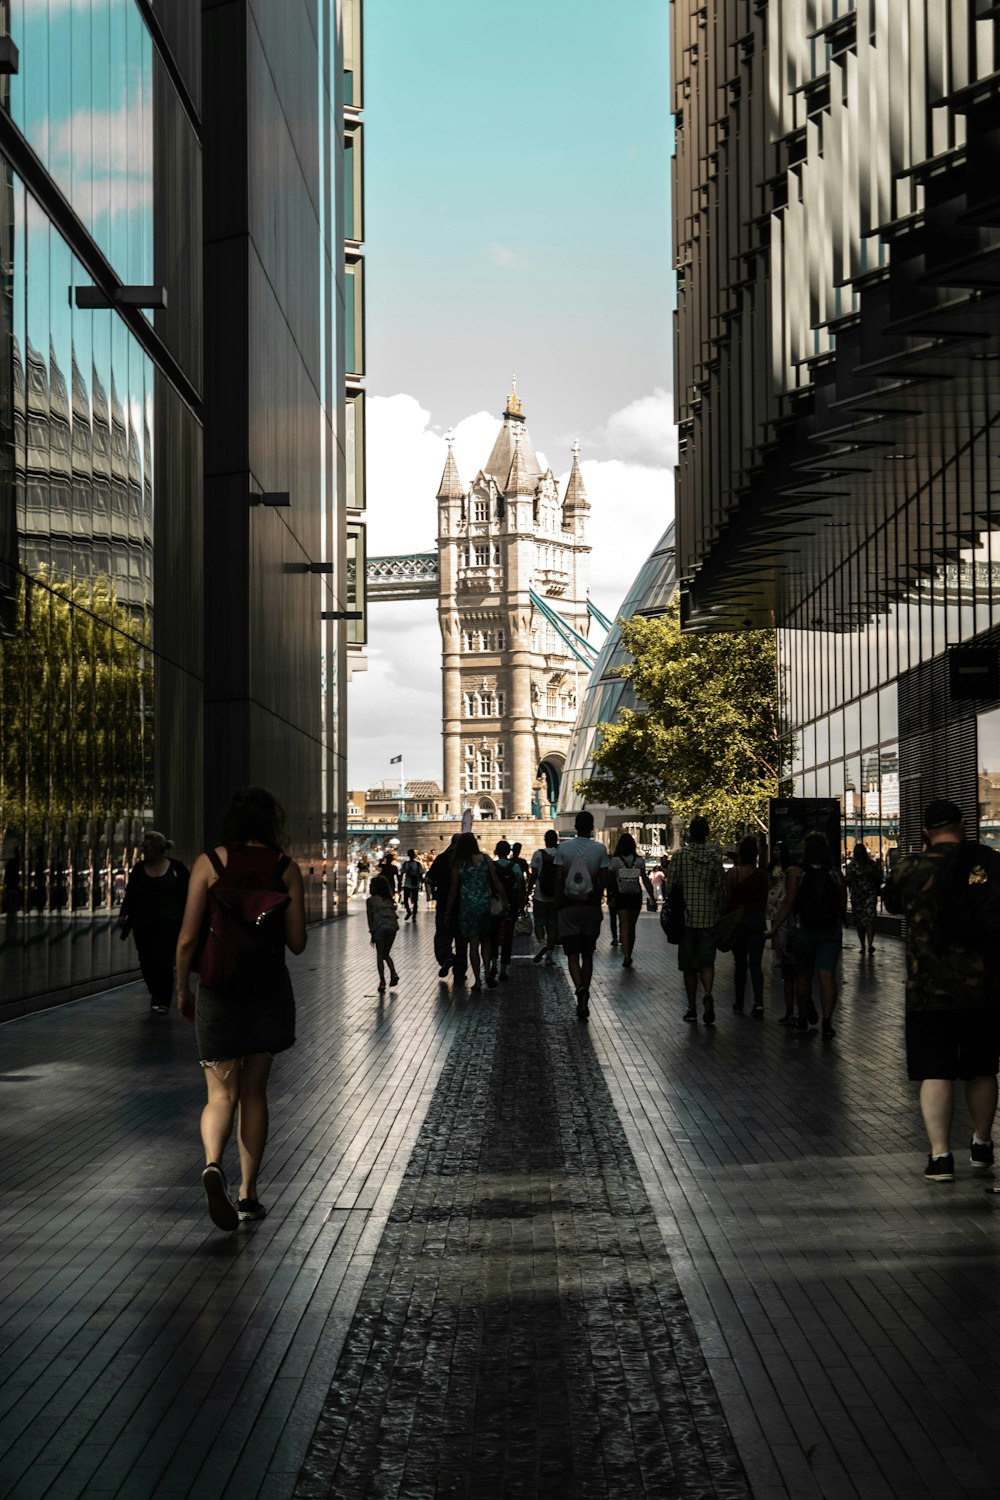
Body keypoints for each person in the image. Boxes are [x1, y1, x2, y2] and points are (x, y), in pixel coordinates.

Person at [175, 787, 306, 1232]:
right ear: (272, 822)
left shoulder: (208, 864)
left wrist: (181, 990)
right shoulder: (285, 869)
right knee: (254, 1094)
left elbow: (188, 938)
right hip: (267, 991)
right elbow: (298, 943)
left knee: (219, 1095)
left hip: (218, 991)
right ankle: (249, 1195)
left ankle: (213, 1165)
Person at [883, 798, 1000, 1182]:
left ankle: (941, 1157)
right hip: (982, 988)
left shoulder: (909, 867)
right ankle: (982, 1145)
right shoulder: (984, 864)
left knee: (936, 1071)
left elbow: (894, 904)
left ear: (925, 831)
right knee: (982, 1068)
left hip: (927, 991)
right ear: (964, 824)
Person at [767, 830, 846, 1038]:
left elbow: (788, 903)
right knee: (827, 976)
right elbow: (842, 903)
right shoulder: (836, 873)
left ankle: (802, 1018)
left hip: (805, 930)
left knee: (803, 976)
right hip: (831, 931)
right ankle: (827, 1023)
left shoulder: (796, 873)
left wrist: (773, 929)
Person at [118, 831, 189, 1015]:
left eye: (146, 847)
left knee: (163, 960)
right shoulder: (139, 869)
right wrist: (124, 913)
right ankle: (155, 992)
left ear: (157, 849)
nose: (143, 850)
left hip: (169, 925)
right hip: (143, 925)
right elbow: (131, 893)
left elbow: (187, 895)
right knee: (146, 961)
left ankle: (163, 999)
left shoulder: (177, 868)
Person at [665, 816, 727, 1025]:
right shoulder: (713, 858)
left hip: (686, 920)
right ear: (707, 834)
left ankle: (692, 1007)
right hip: (708, 918)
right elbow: (721, 889)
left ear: (690, 833)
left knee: (689, 967)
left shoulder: (680, 856)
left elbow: (669, 887)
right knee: (707, 962)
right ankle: (708, 992)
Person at [554, 809, 610, 1018]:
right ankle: (585, 988)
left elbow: (558, 879)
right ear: (592, 827)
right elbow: (604, 881)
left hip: (568, 907)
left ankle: (579, 989)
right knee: (588, 954)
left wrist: (558, 904)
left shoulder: (564, 848)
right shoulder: (599, 849)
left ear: (576, 827)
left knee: (572, 954)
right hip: (591, 908)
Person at [447, 832, 508, 991]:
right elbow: (496, 881)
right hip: (485, 904)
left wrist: (448, 911)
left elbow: (453, 890)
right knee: (486, 940)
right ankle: (487, 972)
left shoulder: (458, 863)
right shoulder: (486, 859)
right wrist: (505, 900)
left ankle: (477, 981)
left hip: (467, 906)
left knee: (473, 944)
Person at [727, 835, 769, 1016]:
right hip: (757, 921)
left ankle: (739, 1002)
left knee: (740, 964)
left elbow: (727, 899)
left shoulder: (733, 874)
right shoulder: (762, 876)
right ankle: (759, 1003)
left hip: (738, 923)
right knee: (756, 964)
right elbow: (765, 899)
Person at [607, 833, 655, 968]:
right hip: (635, 896)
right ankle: (630, 953)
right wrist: (652, 897)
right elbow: (645, 880)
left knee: (624, 924)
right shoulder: (639, 861)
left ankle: (626, 954)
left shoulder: (615, 861)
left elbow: (610, 880)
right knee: (632, 926)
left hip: (621, 896)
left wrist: (608, 894)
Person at [426, 835, 469, 982]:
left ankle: (446, 958)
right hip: (463, 905)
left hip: (444, 903)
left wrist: (435, 891)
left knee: (443, 935)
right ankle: (460, 971)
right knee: (462, 939)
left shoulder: (442, 858)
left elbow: (429, 879)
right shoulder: (467, 861)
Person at [766, 848, 797, 1024]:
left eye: (779, 849)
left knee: (779, 925)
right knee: (774, 923)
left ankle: (781, 952)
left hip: (782, 899)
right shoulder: (775, 867)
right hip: (774, 898)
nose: (777, 852)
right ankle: (779, 951)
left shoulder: (790, 870)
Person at [489, 840, 523, 981]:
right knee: (508, 937)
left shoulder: (491, 866)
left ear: (496, 851)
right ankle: (503, 969)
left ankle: (493, 964)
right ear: (509, 852)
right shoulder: (515, 867)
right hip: (510, 906)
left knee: (493, 935)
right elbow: (519, 885)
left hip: (494, 905)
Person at [529, 830, 560, 966]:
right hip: (555, 896)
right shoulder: (560, 854)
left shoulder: (538, 854)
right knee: (552, 926)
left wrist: (527, 892)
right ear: (556, 840)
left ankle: (542, 942)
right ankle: (549, 955)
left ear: (545, 840)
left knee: (539, 923)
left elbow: (533, 875)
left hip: (540, 895)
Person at [844, 843, 882, 954]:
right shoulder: (852, 866)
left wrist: (871, 873)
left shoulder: (871, 864)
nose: (860, 856)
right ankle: (863, 945)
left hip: (870, 894)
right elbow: (847, 880)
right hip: (857, 896)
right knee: (860, 922)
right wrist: (851, 878)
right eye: (857, 854)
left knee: (870, 919)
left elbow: (879, 877)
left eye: (861, 853)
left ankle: (870, 944)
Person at [366, 874, 400, 992]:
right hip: (392, 926)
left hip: (380, 926)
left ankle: (382, 981)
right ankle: (393, 973)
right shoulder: (389, 899)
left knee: (380, 955)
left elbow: (370, 919)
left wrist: (372, 933)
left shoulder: (370, 900)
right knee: (386, 953)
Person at [399, 849, 424, 920]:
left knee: (409, 900)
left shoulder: (406, 864)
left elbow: (401, 873)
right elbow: (420, 874)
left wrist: (400, 883)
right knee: (414, 900)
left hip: (409, 883)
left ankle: (411, 913)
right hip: (413, 884)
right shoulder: (417, 864)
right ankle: (413, 914)